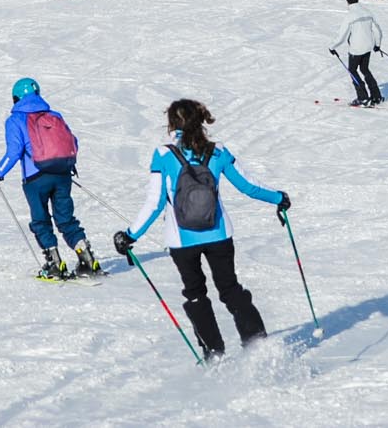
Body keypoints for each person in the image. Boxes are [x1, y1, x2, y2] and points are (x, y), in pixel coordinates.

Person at [112, 98, 289, 359]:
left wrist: (130, 235)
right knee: (230, 289)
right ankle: (257, 346)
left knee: (195, 294)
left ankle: (213, 354)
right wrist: (279, 198)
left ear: (172, 123)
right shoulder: (218, 151)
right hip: (219, 234)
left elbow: (155, 202)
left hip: (182, 241)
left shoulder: (163, 154)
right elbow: (248, 186)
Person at [0, 77, 99, 280]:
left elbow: (14, 151)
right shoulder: (54, 115)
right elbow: (72, 142)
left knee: (41, 221)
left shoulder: (15, 120)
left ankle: (55, 263)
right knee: (66, 219)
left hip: (35, 178)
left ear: (16, 98)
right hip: (62, 174)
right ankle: (87, 258)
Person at [333, 0, 385, 106]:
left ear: (348, 2)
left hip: (356, 50)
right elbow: (377, 30)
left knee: (352, 71)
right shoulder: (367, 12)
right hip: (368, 47)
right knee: (365, 69)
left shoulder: (350, 16)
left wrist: (332, 47)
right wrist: (377, 44)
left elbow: (342, 35)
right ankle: (376, 96)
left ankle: (363, 97)